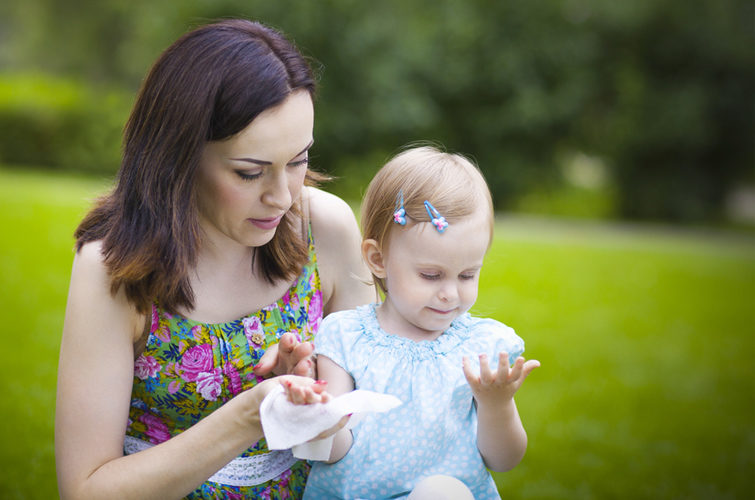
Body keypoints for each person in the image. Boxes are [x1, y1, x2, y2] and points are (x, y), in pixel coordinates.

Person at [54, 19, 374, 499]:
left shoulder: (324, 229)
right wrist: (251, 415)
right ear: (178, 156)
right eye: (251, 172)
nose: (284, 197)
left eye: (299, 160)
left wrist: (313, 407)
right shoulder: (113, 267)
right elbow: (86, 490)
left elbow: (371, 427)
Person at [283, 145, 540, 499]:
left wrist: (497, 404)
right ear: (377, 259)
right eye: (431, 275)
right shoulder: (346, 338)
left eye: (467, 275)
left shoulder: (480, 348)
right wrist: (317, 415)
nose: (450, 293)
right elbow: (334, 451)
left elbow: (505, 459)